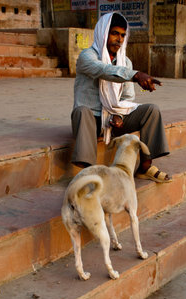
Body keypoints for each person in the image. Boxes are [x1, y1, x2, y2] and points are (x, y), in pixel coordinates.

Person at [71, 12, 171, 183]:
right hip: (91, 121)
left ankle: (145, 166)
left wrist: (118, 115)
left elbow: (127, 97)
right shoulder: (87, 56)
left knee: (151, 110)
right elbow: (104, 70)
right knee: (81, 111)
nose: (119, 39)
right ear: (104, 33)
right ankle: (88, 174)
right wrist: (136, 75)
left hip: (114, 118)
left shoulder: (125, 62)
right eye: (114, 33)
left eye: (123, 35)